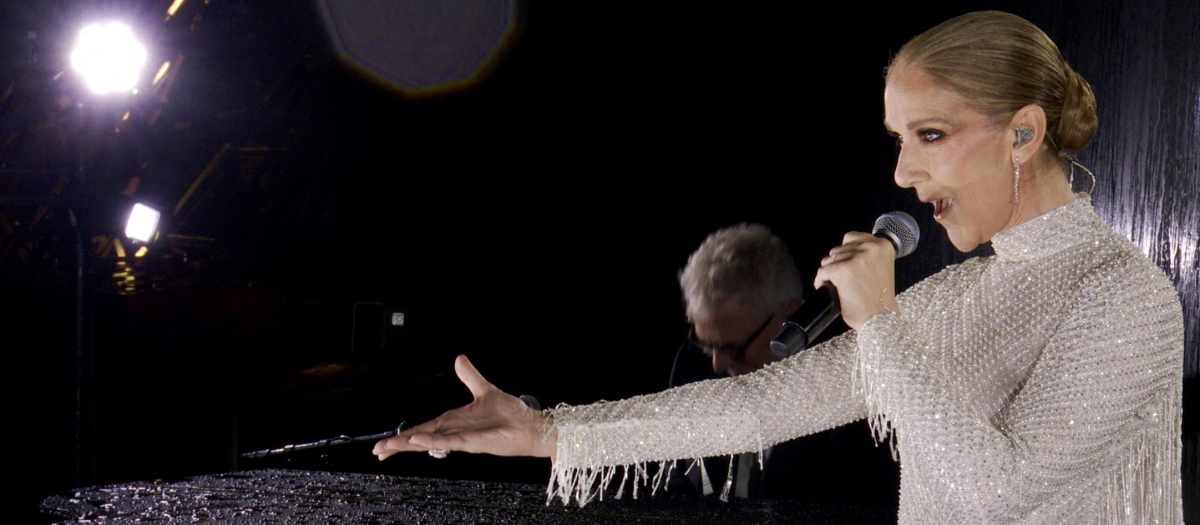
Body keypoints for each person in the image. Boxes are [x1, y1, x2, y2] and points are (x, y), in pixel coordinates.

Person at [375, 11, 1185, 524]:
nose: (902, 173)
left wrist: (880, 324)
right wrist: (549, 432)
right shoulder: (960, 293)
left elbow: (998, 497)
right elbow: (760, 407)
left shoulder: (1123, 298)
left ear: (1024, 134)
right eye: (897, 140)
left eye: (929, 135)